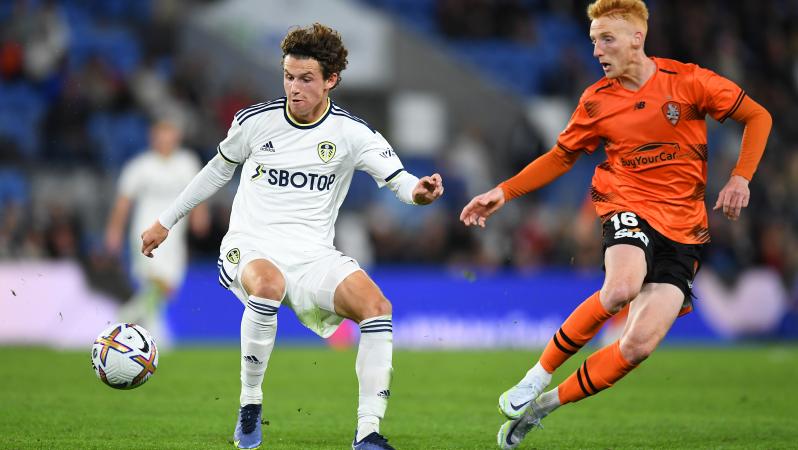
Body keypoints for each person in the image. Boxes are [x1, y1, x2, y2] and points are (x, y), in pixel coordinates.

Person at [459, 1, 771, 448]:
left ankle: (543, 406)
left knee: (637, 346)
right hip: (627, 206)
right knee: (621, 288)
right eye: (593, 41)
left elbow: (758, 116)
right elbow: (561, 157)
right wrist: (504, 192)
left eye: (606, 39)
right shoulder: (597, 100)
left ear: (636, 39)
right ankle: (536, 375)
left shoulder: (689, 81)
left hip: (685, 229)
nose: (597, 51)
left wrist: (740, 177)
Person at [140, 23, 443, 450]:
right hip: (250, 244)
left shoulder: (352, 134)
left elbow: (400, 181)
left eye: (305, 79)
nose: (294, 88)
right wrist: (166, 221)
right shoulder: (255, 121)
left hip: (313, 255)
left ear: (331, 80)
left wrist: (420, 192)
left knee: (377, 308)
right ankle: (250, 404)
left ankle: (368, 433)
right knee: (268, 285)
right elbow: (217, 171)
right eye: (288, 76)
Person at [105, 120, 209, 346]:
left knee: (168, 287)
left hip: (174, 237)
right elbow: (124, 202)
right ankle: (148, 330)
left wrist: (200, 215)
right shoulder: (140, 166)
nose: (164, 140)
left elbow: (198, 191)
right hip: (145, 234)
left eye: (169, 134)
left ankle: (131, 320)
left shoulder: (187, 162)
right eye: (160, 135)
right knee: (157, 282)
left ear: (176, 137)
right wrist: (114, 231)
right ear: (153, 137)